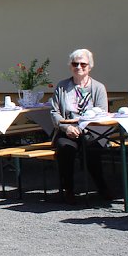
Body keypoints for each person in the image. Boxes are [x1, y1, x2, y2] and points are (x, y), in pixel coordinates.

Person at [50, 48, 110, 204]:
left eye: (83, 64)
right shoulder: (62, 86)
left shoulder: (98, 88)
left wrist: (84, 128)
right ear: (70, 66)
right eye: (75, 64)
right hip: (67, 131)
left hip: (91, 131)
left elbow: (103, 112)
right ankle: (68, 189)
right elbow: (54, 112)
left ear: (89, 66)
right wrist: (66, 128)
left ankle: (101, 187)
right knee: (65, 149)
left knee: (92, 150)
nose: (79, 67)